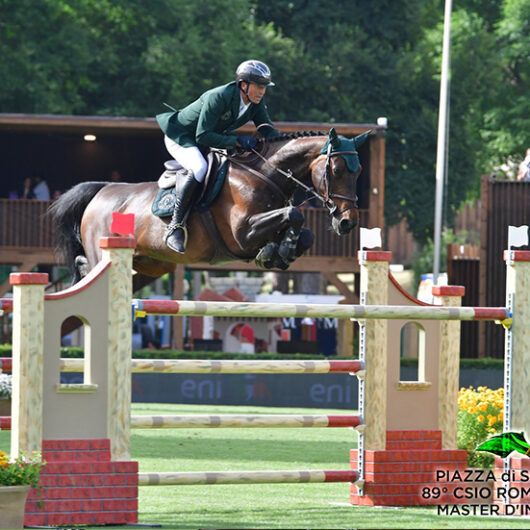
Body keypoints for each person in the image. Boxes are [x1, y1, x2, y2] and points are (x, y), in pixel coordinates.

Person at [156, 60, 279, 253]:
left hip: (208, 139)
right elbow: (202, 134)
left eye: (264, 87)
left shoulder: (255, 102)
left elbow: (266, 128)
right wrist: (237, 142)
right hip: (181, 136)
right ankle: (174, 227)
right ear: (244, 84)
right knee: (199, 168)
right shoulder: (219, 96)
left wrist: (285, 145)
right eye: (259, 86)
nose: (262, 91)